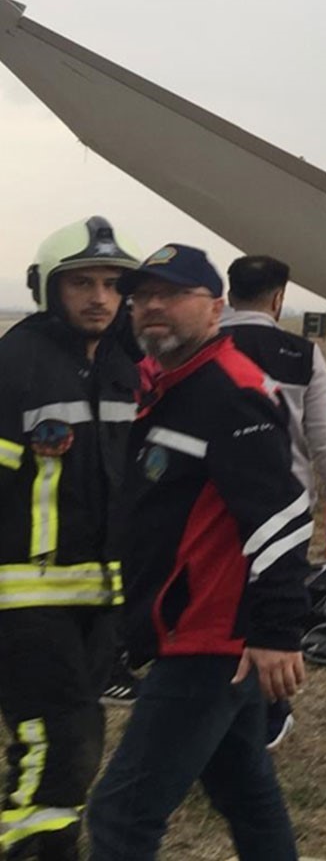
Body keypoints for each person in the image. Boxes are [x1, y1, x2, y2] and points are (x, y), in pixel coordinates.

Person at [85, 244, 312, 861]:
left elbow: (282, 512)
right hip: (197, 629)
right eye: (143, 297)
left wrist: (277, 631)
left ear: (215, 308)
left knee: (122, 815)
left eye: (172, 295)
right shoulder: (170, 383)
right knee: (243, 787)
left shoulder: (228, 391)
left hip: (209, 639)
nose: (152, 307)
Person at [0, 218, 140, 861]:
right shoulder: (14, 364)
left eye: (113, 285)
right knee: (58, 740)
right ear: (46, 289)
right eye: (81, 282)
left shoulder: (126, 366)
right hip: (22, 597)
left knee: (76, 736)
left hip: (100, 595)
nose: (99, 298)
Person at [221, 254, 326, 750]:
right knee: (272, 605)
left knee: (221, 604)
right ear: (278, 299)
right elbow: (325, 437)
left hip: (215, 503)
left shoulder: (205, 344)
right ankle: (270, 711)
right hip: (285, 506)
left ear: (229, 292)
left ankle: (224, 699)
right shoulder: (301, 354)